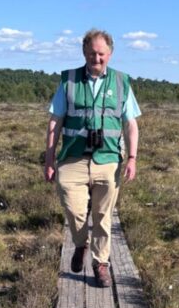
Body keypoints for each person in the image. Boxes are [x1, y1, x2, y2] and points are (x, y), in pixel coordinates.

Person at [44, 29, 141, 287]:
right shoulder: (69, 80)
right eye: (91, 53)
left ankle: (101, 263)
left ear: (109, 54)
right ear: (84, 53)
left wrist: (131, 158)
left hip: (107, 158)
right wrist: (49, 160)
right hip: (73, 157)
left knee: (102, 215)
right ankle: (79, 244)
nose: (96, 58)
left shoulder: (121, 82)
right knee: (74, 210)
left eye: (101, 54)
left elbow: (130, 124)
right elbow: (55, 122)